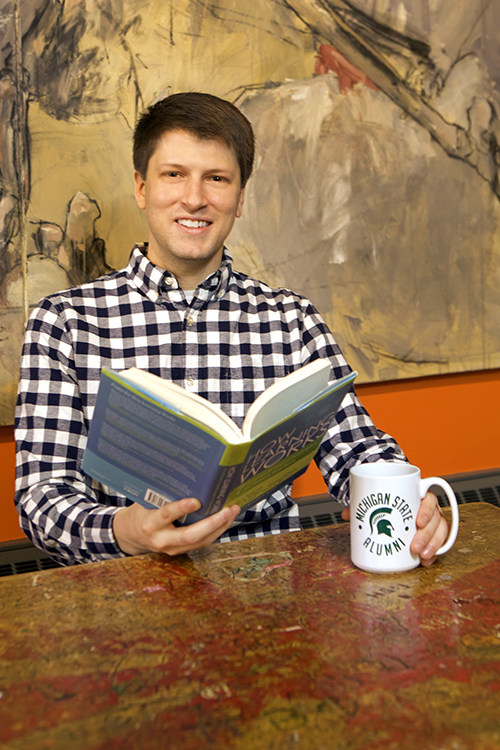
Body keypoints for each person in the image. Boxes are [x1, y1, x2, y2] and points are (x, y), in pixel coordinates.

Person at [15, 92, 448, 567]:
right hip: (125, 586)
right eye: (174, 174)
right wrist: (127, 532)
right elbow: (43, 497)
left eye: (216, 179)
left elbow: (357, 449)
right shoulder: (65, 322)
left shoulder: (291, 320)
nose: (195, 198)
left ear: (240, 199)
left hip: (270, 586)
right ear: (141, 187)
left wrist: (414, 502)